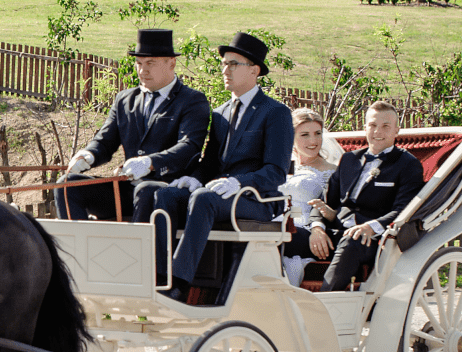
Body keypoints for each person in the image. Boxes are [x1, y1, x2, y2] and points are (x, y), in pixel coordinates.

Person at [162, 32, 292, 300]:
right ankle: (158, 274)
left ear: (254, 70)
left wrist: (239, 182)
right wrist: (194, 177)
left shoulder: (275, 112)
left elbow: (276, 171)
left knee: (203, 198)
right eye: (224, 63)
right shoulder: (220, 113)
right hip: (220, 193)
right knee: (165, 194)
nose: (225, 69)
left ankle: (179, 284)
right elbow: (210, 163)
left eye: (234, 64)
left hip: (256, 199)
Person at [55, 28, 210, 222]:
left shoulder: (192, 100)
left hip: (166, 189)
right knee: (66, 185)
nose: (142, 70)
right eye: (139, 63)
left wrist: (150, 162)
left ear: (172, 63)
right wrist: (88, 155)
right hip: (126, 188)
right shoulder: (124, 100)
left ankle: (137, 251)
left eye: (150, 63)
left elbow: (189, 146)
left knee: (146, 191)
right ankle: (77, 249)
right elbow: (105, 141)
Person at [314, 101, 425, 292]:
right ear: (365, 127)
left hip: (372, 240)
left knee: (352, 240)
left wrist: (370, 227)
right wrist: (317, 228)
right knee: (287, 237)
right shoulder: (349, 159)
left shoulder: (407, 164)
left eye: (385, 126)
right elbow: (324, 199)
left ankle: (320, 306)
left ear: (396, 130)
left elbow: (403, 211)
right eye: (372, 125)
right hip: (336, 230)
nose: (377, 131)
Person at [277, 108, 342, 287]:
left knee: (272, 236)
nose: (313, 141)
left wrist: (317, 229)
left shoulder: (332, 172)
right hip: (278, 222)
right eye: (304, 135)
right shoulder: (280, 166)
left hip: (310, 232)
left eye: (317, 134)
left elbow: (339, 210)